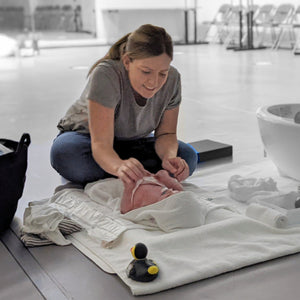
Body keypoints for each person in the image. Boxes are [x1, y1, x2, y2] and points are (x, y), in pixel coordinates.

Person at [50, 24, 198, 185]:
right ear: (127, 61)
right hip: (87, 138)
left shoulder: (173, 78)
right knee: (68, 156)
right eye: (146, 71)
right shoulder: (106, 74)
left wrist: (169, 158)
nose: (154, 82)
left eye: (162, 73)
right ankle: (125, 170)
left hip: (133, 142)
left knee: (188, 156)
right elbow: (101, 143)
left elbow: (166, 134)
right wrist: (117, 166)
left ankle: (122, 171)